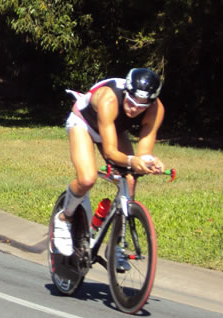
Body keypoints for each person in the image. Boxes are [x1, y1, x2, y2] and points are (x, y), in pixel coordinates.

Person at [53, 68, 166, 256]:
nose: (134, 108)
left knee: (130, 179)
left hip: (114, 129)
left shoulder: (156, 109)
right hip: (84, 124)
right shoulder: (109, 98)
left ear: (151, 102)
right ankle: (65, 218)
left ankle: (116, 245)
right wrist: (132, 160)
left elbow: (144, 152)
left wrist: (150, 161)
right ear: (126, 92)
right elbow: (110, 152)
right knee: (87, 179)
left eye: (142, 105)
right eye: (130, 101)